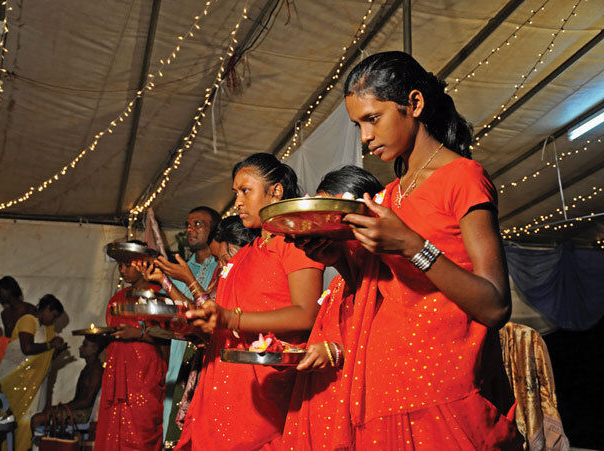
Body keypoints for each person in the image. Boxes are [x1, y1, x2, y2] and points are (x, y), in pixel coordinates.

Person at [297, 51, 522, 449]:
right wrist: (338, 260)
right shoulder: (389, 196)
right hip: (382, 391)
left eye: (373, 118)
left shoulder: (463, 178)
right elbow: (378, 294)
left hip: (442, 392)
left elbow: (495, 305)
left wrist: (412, 244)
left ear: (414, 104)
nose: (365, 137)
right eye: (358, 125)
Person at [175, 153, 324, 450]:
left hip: (264, 387)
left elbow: (306, 314)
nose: (238, 203)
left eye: (246, 191)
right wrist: (202, 325)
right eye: (236, 194)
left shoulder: (296, 243)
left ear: (276, 191)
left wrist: (232, 319)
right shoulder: (247, 252)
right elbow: (230, 316)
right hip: (224, 382)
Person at [282, 166, 383, 450]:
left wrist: (336, 352)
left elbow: (387, 342)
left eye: (329, 218)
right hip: (326, 404)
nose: (320, 229)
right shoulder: (338, 283)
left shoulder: (388, 272)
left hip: (365, 412)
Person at [151, 207, 222, 447]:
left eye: (198, 224)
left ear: (214, 230)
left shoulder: (222, 267)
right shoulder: (180, 267)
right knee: (173, 409)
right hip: (179, 354)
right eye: (188, 224)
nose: (190, 229)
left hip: (207, 354)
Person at [94, 241, 168, 451]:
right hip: (116, 377)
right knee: (112, 436)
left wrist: (140, 334)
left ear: (144, 264)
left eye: (128, 265)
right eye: (120, 266)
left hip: (145, 379)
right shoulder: (116, 299)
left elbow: (171, 337)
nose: (123, 270)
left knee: (139, 437)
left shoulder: (159, 296)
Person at [0, 294, 67, 451]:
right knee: (15, 421)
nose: (54, 321)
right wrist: (50, 344)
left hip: (34, 385)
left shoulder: (47, 329)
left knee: (29, 421)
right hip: (17, 382)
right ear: (46, 309)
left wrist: (56, 351)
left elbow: (42, 357)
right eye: (54, 316)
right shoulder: (28, 320)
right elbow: (27, 348)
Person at [30, 335, 106, 435]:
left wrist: (61, 408)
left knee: (38, 419)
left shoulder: (96, 370)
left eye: (85, 345)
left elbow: (86, 402)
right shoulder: (89, 368)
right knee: (46, 412)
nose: (80, 348)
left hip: (85, 414)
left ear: (95, 349)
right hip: (80, 410)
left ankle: (39, 446)